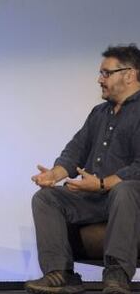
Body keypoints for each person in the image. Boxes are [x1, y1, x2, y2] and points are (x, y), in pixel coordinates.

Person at [25, 44, 140, 294]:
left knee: (125, 189)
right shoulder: (99, 113)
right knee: (46, 198)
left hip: (129, 198)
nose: (100, 79)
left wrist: (102, 184)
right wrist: (55, 174)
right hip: (93, 196)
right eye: (101, 73)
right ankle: (61, 273)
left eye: (106, 73)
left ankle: (117, 274)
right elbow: (75, 150)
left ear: (129, 74)